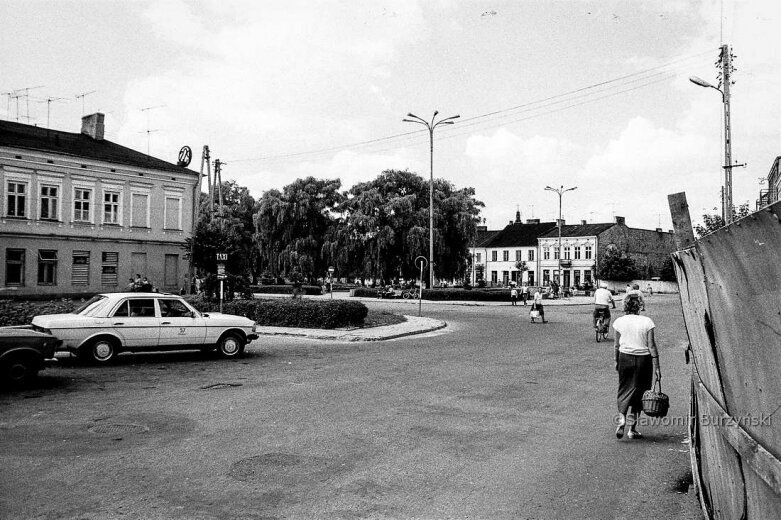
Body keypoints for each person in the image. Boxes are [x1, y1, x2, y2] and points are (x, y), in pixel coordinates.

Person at [612, 295, 661, 439]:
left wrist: (616, 361)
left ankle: (621, 422)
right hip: (643, 360)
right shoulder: (647, 322)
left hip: (624, 358)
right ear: (640, 305)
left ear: (625, 306)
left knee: (623, 390)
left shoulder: (619, 322)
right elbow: (651, 346)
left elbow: (616, 345)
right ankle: (632, 430)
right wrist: (657, 367)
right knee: (640, 393)